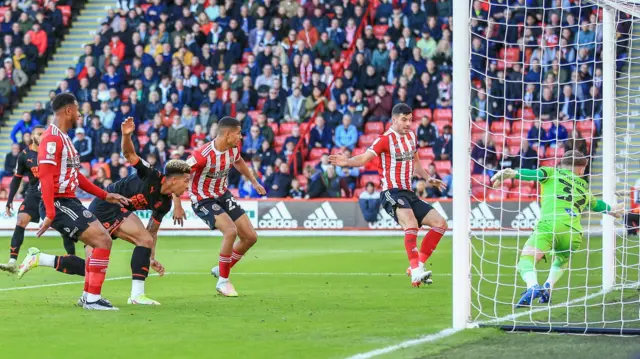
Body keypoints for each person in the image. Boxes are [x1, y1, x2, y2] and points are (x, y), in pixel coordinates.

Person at [21, 118, 191, 306]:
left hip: (121, 211)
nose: (188, 187)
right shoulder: (152, 175)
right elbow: (129, 154)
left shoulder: (164, 204)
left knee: (93, 266)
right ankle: (128, 296)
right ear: (173, 180)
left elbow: (152, 231)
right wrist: (126, 135)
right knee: (99, 262)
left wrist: (150, 258)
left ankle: (42, 259)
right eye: (186, 181)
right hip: (107, 204)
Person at [16, 93, 130, 311]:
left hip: (69, 201)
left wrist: (105, 195)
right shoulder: (51, 139)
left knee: (101, 241)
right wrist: (50, 212)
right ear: (68, 111)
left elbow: (77, 177)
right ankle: (92, 299)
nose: (80, 114)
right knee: (103, 240)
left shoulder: (65, 138)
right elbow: (46, 177)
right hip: (58, 202)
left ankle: (89, 296)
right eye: (77, 109)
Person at [329, 103, 448, 287]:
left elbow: (415, 162)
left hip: (409, 193)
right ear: (394, 120)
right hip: (391, 192)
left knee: (440, 223)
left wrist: (428, 177)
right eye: (404, 120)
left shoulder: (411, 136)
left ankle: (417, 267)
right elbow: (363, 159)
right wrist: (347, 162)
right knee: (411, 224)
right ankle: (416, 270)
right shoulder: (384, 140)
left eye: (410, 119)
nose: (408, 123)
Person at [491, 150, 622, 307]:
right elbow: (596, 205)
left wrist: (513, 174)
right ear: (581, 170)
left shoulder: (551, 171)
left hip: (550, 225)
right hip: (574, 234)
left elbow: (533, 174)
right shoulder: (584, 186)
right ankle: (548, 287)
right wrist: (612, 209)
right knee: (561, 260)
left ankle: (532, 286)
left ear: (561, 164)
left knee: (527, 259)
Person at [187, 116, 266, 297]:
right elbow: (180, 172)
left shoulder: (233, 149)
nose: (241, 137)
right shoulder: (202, 154)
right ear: (227, 134)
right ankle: (223, 281)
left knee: (250, 237)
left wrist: (254, 182)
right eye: (238, 133)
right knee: (230, 231)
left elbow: (239, 161)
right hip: (203, 199)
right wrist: (177, 203)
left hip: (223, 195)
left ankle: (221, 267)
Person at [0, 126, 75, 273]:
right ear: (32, 136)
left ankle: (71, 257)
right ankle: (12, 262)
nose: (43, 136)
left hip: (52, 194)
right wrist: (10, 200)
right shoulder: (24, 155)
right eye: (39, 134)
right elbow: (17, 178)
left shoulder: (51, 153)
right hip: (34, 194)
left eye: (44, 134)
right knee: (20, 221)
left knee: (63, 227)